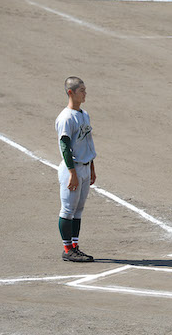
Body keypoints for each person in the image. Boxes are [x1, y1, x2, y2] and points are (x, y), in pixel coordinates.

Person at [55, 77, 96, 262]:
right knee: (68, 210)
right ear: (71, 92)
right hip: (72, 169)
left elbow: (88, 142)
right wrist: (72, 173)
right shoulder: (65, 118)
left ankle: (75, 246)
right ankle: (67, 249)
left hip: (85, 167)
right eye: (81, 90)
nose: (85, 93)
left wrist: (92, 168)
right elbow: (64, 147)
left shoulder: (84, 114)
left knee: (78, 209)